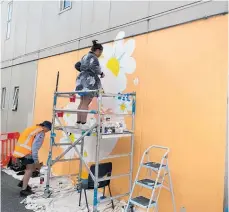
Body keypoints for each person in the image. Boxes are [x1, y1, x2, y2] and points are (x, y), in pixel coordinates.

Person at [12, 121, 52, 196]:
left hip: (20, 150)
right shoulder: (41, 133)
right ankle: (24, 190)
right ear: (45, 127)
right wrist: (36, 161)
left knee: (31, 168)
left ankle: (23, 182)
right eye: (48, 129)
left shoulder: (34, 128)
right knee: (30, 170)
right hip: (27, 152)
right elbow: (34, 148)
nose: (48, 131)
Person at [75, 40, 105, 129]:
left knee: (82, 102)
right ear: (98, 50)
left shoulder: (85, 56)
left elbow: (77, 65)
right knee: (86, 102)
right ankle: (83, 123)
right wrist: (101, 73)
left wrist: (83, 71)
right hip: (89, 81)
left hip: (81, 80)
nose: (100, 54)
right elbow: (95, 68)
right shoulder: (94, 58)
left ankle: (78, 122)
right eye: (100, 52)